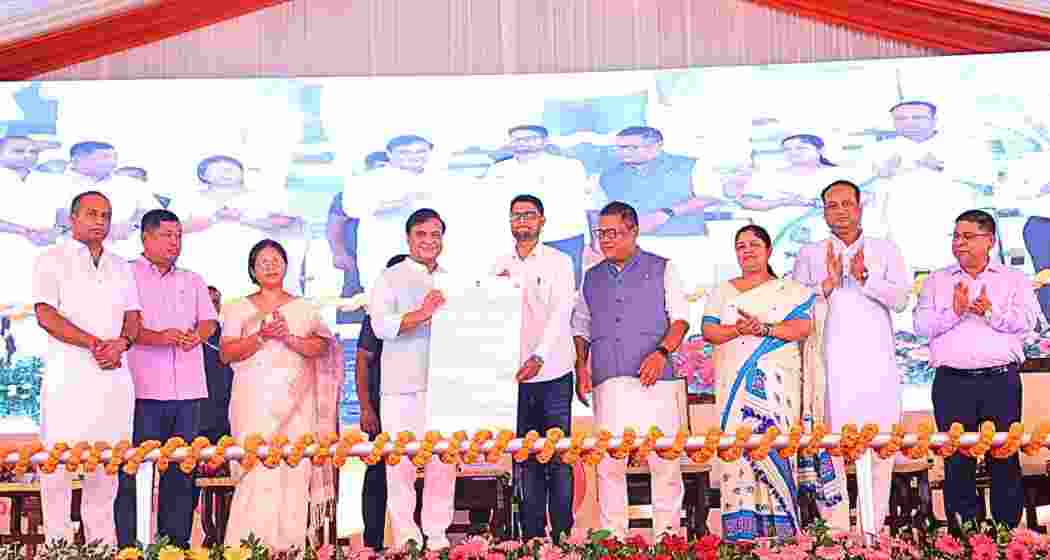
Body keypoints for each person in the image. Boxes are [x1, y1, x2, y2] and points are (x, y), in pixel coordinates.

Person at [791, 180, 909, 534]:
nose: (839, 211)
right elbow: (795, 307)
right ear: (823, 211)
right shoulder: (811, 254)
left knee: (879, 451)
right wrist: (824, 285)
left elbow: (902, 299)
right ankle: (837, 535)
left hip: (876, 366)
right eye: (831, 205)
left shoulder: (885, 250)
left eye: (846, 204)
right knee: (832, 450)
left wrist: (865, 277)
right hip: (830, 367)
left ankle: (874, 532)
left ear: (860, 207)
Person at [914, 209, 1038, 531]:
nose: (959, 243)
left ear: (990, 241)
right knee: (957, 458)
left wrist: (991, 313)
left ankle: (1006, 533)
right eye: (956, 236)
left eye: (968, 237)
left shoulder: (1013, 280)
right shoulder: (938, 280)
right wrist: (953, 314)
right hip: (952, 382)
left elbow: (1028, 323)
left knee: (1004, 455)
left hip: (1000, 381)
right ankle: (964, 534)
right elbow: (920, 325)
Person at [571, 201, 689, 538]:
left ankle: (669, 540)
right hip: (609, 380)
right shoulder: (591, 278)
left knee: (664, 460)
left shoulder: (663, 268)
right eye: (601, 234)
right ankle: (614, 541)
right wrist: (582, 366)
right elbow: (580, 326)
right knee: (609, 463)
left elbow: (680, 319)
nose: (605, 240)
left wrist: (661, 353)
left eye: (613, 233)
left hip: (656, 380)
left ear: (633, 231)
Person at [219, 239, 344, 551]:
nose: (271, 266)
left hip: (298, 404)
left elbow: (322, 347)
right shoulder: (238, 308)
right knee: (255, 472)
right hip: (252, 403)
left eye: (276, 260)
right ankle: (246, 550)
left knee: (293, 471)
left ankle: (290, 549)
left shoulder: (303, 309)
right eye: (263, 261)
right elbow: (226, 354)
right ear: (252, 269)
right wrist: (261, 336)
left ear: (286, 266)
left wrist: (289, 338)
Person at [32, 191, 142, 544]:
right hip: (69, 376)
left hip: (113, 378)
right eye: (91, 214)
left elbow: (134, 317)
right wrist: (94, 343)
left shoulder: (121, 264)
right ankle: (59, 550)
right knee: (57, 471)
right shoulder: (50, 258)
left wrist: (121, 344)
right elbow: (45, 315)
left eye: (106, 215)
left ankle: (103, 549)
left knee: (106, 471)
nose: (100, 221)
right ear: (72, 219)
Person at [702, 225, 817, 540]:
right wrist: (739, 330)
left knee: (776, 449)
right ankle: (740, 536)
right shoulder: (722, 291)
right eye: (740, 246)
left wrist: (764, 329)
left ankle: (783, 538)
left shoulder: (789, 290)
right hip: (733, 388)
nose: (747, 250)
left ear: (768, 251)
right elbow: (710, 331)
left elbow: (801, 328)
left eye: (754, 244)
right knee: (737, 455)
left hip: (778, 387)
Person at [115, 209, 218, 548]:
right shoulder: (125, 275)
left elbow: (209, 321)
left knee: (182, 471)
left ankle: (175, 546)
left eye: (178, 236)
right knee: (134, 472)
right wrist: (160, 337)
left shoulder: (192, 279)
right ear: (145, 237)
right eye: (166, 236)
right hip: (142, 389)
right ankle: (129, 547)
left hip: (188, 391)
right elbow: (122, 328)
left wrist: (196, 335)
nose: (174, 243)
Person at [491, 194, 576, 541]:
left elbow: (560, 314)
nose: (522, 221)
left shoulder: (559, 261)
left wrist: (539, 356)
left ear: (542, 221)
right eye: (516, 216)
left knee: (556, 458)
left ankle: (562, 537)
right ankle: (531, 537)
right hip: (513, 379)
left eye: (529, 215)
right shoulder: (497, 264)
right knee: (523, 459)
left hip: (552, 372)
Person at [368, 208, 454, 550]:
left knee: (443, 461)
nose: (429, 242)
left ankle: (437, 535)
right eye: (422, 235)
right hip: (400, 385)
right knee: (399, 464)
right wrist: (422, 314)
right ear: (408, 239)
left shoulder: (453, 277)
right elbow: (381, 326)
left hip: (446, 384)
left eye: (435, 235)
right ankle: (406, 537)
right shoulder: (390, 277)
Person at [864, 101, 994, 272]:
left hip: (949, 223)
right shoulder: (879, 150)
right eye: (901, 118)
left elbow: (988, 180)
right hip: (902, 226)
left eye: (917, 117)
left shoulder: (963, 145)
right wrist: (879, 174)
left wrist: (944, 167)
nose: (909, 122)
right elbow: (861, 187)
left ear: (934, 119)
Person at [597, 126, 723, 289]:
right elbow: (599, 211)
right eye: (620, 147)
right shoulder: (608, 175)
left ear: (657, 146)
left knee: (690, 299)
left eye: (632, 147)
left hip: (684, 243)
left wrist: (666, 213)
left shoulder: (691, 165)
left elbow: (710, 197)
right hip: (634, 247)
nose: (624, 152)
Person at [177, 155, 305, 299]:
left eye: (230, 168)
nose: (226, 171)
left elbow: (286, 221)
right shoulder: (190, 198)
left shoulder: (262, 196)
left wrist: (244, 218)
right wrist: (212, 219)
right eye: (218, 168)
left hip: (253, 270)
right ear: (202, 174)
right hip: (204, 268)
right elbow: (174, 227)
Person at [726, 134, 855, 274]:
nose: (793, 153)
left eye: (801, 148)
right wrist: (783, 202)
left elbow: (860, 200)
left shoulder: (841, 174)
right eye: (788, 150)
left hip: (827, 239)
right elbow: (747, 202)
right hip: (781, 240)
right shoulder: (769, 175)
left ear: (820, 150)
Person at [486, 126, 590, 286]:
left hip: (561, 237)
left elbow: (578, 204)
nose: (523, 143)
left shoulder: (569, 166)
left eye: (530, 138)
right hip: (517, 240)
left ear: (545, 141)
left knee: (564, 289)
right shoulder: (497, 171)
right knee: (521, 292)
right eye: (517, 139)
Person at [355, 253, 408, 552]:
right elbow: (363, 360)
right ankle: (372, 543)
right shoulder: (376, 315)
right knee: (378, 473)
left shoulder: (431, 311)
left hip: (421, 405)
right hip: (381, 407)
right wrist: (365, 407)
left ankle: (416, 543)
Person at [345, 136, 446, 290]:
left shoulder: (441, 180)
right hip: (386, 252)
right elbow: (352, 209)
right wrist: (394, 203)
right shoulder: (368, 179)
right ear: (389, 153)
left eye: (421, 151)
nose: (413, 156)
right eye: (404, 152)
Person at [56, 141, 154, 258]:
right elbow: (56, 218)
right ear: (78, 160)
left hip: (123, 256)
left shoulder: (131, 184)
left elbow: (153, 214)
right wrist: (106, 229)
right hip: (73, 257)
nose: (113, 162)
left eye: (114, 157)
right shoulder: (55, 184)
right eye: (105, 157)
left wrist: (134, 225)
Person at [326, 152, 390, 325]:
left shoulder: (402, 194)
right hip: (355, 256)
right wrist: (338, 253)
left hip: (391, 255)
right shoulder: (351, 193)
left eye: (385, 168)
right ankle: (350, 340)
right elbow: (334, 224)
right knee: (354, 298)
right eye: (377, 168)